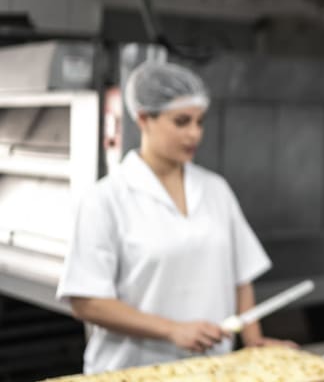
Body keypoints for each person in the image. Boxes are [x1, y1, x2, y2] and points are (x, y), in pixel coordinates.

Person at [57, 62, 294, 373]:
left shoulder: (214, 189)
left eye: (199, 122)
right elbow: (87, 302)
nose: (194, 133)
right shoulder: (106, 199)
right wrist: (172, 329)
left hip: (211, 370)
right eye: (181, 122)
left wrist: (253, 340)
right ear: (144, 119)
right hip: (132, 371)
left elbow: (241, 276)